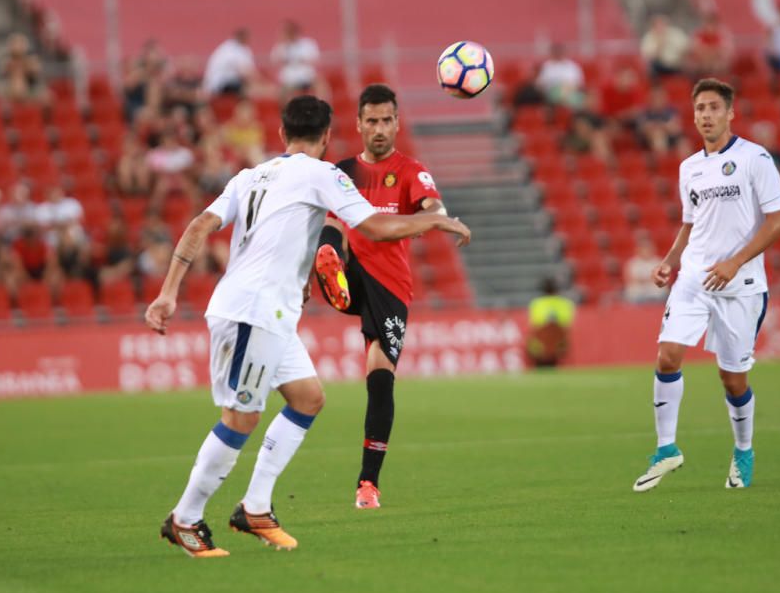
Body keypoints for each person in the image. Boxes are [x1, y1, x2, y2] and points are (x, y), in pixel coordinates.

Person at [145, 95, 470, 557]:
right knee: (241, 417)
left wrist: (168, 290)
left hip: (270, 313)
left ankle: (255, 508)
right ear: (328, 138)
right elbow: (374, 227)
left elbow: (199, 225)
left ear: (282, 135)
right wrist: (434, 221)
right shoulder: (324, 174)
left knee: (308, 398)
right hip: (252, 312)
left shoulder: (250, 176)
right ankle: (185, 519)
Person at [632, 78, 780, 493]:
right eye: (699, 108)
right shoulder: (689, 168)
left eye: (713, 108)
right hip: (694, 279)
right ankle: (666, 448)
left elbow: (779, 222)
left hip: (742, 285)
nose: (705, 115)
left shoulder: (756, 158)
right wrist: (669, 260)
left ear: (730, 112)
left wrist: (736, 262)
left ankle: (743, 450)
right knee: (667, 356)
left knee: (732, 380)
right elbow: (691, 223)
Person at [313, 84, 450, 510]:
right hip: (353, 271)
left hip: (390, 287)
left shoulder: (410, 170)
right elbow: (332, 220)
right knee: (328, 237)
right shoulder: (343, 171)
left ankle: (367, 484)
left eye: (386, 120)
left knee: (379, 378)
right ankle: (331, 272)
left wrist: (436, 218)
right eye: (371, 121)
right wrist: (322, 258)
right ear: (358, 124)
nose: (379, 129)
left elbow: (433, 209)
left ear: (397, 122)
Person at [525, 277, 576, 367]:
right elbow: (567, 326)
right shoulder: (565, 303)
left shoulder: (536, 304)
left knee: (534, 341)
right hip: (560, 345)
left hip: (539, 346)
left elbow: (534, 327)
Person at [270, 20, 321, 96]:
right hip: (289, 79)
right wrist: (282, 43)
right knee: (281, 92)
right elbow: (274, 60)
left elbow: (315, 59)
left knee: (321, 86)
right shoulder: (281, 46)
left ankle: (322, 106)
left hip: (307, 76)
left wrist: (301, 60)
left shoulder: (308, 43)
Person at [203, 28, 257, 97]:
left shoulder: (228, 47)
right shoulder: (233, 49)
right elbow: (246, 72)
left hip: (221, 83)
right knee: (249, 91)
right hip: (221, 83)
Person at [535, 43, 585, 109]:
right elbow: (540, 84)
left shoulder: (572, 66)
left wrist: (567, 89)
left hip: (571, 93)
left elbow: (579, 84)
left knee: (581, 99)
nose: (558, 53)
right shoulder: (547, 66)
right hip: (552, 94)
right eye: (556, 51)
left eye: (559, 51)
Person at [623, 233, 666, 303]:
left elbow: (662, 278)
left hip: (654, 289)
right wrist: (647, 279)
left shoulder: (659, 261)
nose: (646, 251)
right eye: (643, 249)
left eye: (648, 248)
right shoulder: (632, 263)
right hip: (639, 290)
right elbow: (630, 279)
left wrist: (647, 279)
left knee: (661, 291)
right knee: (633, 292)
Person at [689, 10, 734, 76]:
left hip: (717, 64)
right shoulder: (698, 34)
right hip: (701, 65)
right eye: (708, 22)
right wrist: (708, 54)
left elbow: (725, 51)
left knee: (719, 64)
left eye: (712, 23)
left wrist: (712, 54)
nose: (710, 26)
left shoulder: (723, 34)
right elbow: (696, 50)